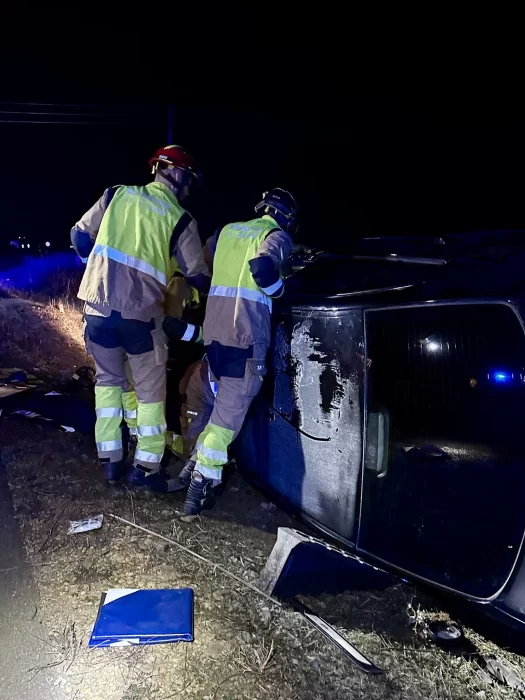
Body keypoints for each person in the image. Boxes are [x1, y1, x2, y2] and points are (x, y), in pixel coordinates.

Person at [71, 145, 210, 488]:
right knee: (150, 395)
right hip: (140, 321)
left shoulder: (116, 195)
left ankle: (110, 462)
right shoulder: (180, 219)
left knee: (108, 385)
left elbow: (78, 235)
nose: (188, 187)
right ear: (175, 173)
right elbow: (197, 274)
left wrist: (100, 272)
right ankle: (145, 468)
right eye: (188, 179)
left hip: (97, 312)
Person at [180, 188, 298, 515]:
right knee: (227, 419)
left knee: (219, 409)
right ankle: (198, 490)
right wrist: (280, 289)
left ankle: (190, 467)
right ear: (287, 219)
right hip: (245, 340)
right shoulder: (276, 236)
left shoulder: (228, 231)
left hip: (215, 339)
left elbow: (203, 266)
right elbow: (262, 268)